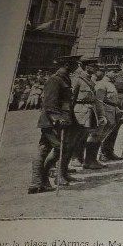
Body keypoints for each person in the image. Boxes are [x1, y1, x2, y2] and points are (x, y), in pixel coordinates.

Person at [30, 54, 80, 193]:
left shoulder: (65, 79)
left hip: (59, 121)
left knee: (45, 148)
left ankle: (39, 182)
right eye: (75, 63)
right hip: (52, 122)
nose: (77, 66)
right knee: (60, 147)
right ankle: (38, 181)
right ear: (67, 64)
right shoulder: (55, 80)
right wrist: (57, 119)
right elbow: (50, 103)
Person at [72, 57, 106, 170]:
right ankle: (75, 159)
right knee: (76, 137)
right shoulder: (77, 79)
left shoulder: (90, 80)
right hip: (79, 111)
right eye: (94, 66)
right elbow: (72, 98)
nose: (96, 69)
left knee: (84, 136)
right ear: (87, 67)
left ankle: (84, 160)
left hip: (89, 111)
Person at [99, 57, 123, 159]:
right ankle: (102, 153)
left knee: (116, 129)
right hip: (114, 104)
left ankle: (110, 151)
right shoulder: (115, 76)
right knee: (108, 128)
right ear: (121, 65)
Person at [95, 65, 123, 163]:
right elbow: (99, 101)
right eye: (114, 72)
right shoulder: (102, 84)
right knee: (98, 135)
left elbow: (113, 101)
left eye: (117, 72)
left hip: (112, 111)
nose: (116, 74)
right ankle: (97, 156)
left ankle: (104, 154)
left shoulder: (111, 84)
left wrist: (119, 111)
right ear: (107, 72)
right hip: (105, 112)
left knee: (105, 135)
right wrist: (101, 115)